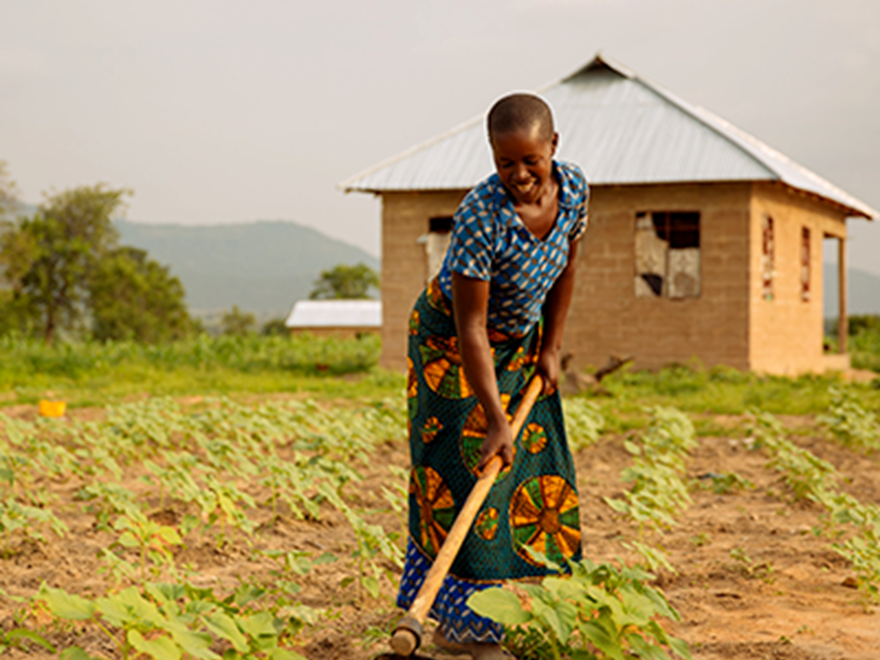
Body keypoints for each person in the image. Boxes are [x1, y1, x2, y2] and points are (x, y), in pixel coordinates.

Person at [397, 93, 588, 660]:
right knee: (465, 474)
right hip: (450, 351)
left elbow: (569, 262)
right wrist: (495, 418)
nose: (521, 175)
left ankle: (490, 613)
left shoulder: (574, 188)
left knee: (518, 469)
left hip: (516, 344)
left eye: (532, 160)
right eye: (506, 163)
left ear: (553, 147)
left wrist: (550, 345)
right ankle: (464, 633)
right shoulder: (481, 218)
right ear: (492, 158)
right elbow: (470, 328)